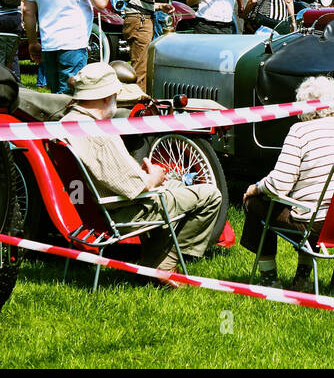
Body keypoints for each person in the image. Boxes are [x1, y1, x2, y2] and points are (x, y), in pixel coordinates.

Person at [61, 63, 222, 274]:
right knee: (210, 194)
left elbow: (115, 177)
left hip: (94, 208)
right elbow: (135, 187)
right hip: (121, 212)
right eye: (114, 95)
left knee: (174, 184)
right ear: (104, 97)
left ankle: (154, 256)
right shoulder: (96, 133)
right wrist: (153, 176)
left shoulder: (66, 122)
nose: (116, 100)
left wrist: (145, 175)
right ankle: (162, 263)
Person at [241, 76, 334, 286]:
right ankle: (303, 278)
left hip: (317, 224)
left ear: (304, 105)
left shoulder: (300, 131)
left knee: (257, 203)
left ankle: (269, 278)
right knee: (315, 204)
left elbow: (278, 185)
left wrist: (255, 188)